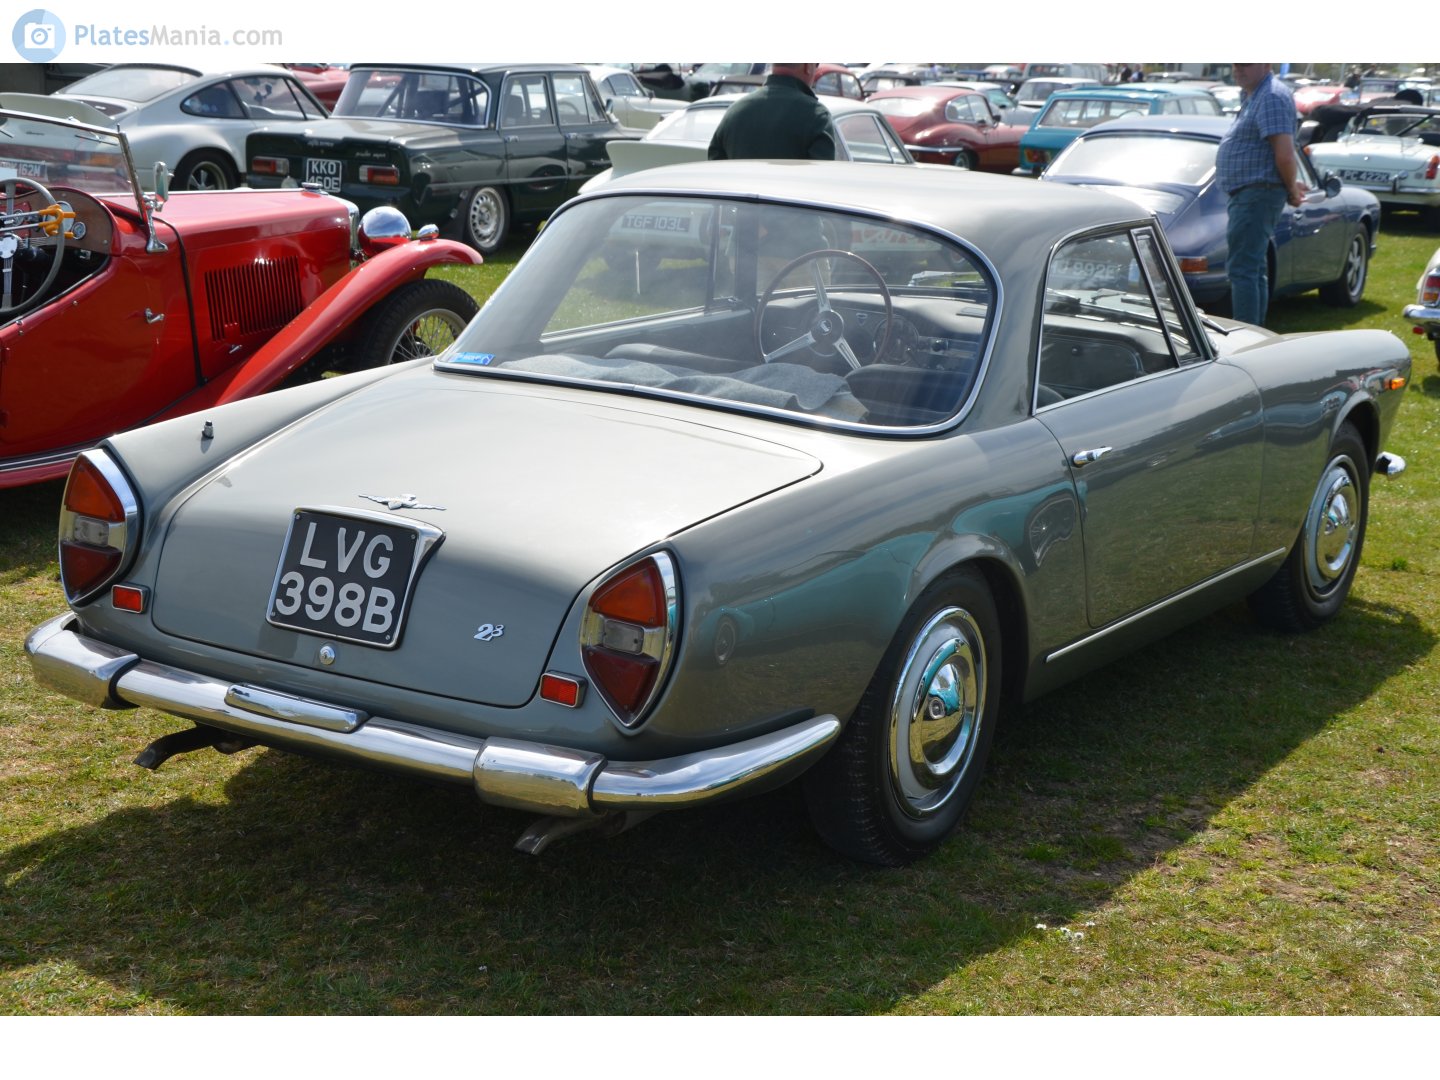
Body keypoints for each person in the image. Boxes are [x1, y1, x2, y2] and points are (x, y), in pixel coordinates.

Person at [1216, 63, 1307, 326]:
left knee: (1243, 269)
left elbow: (1284, 153)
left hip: (1257, 193)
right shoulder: (1257, 94)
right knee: (1253, 269)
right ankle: (1254, 332)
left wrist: (1291, 188)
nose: (1237, 70)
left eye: (1245, 64)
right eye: (1235, 64)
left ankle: (1246, 337)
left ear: (1266, 64)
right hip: (1251, 193)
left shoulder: (1271, 96)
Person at [707, 63, 837, 161]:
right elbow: (821, 182)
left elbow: (715, 169)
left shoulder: (734, 112)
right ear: (808, 67)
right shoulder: (817, 116)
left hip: (738, 195)